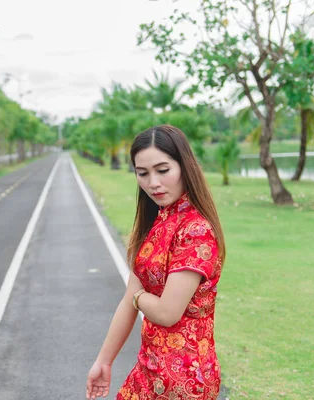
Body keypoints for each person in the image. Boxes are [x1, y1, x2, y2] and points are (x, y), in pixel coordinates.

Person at [86, 125, 226, 400]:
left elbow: (166, 312)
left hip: (185, 381)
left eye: (163, 170)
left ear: (185, 166)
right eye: (143, 173)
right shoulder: (157, 223)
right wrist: (104, 361)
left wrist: (138, 295)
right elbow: (130, 300)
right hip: (148, 369)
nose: (153, 183)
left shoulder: (195, 230)